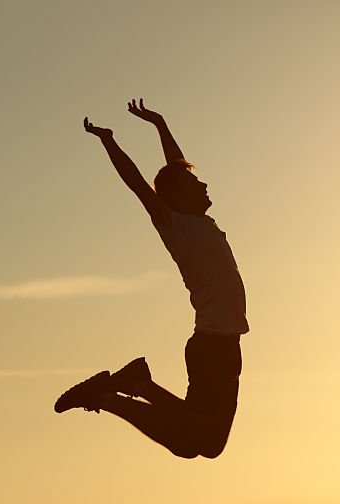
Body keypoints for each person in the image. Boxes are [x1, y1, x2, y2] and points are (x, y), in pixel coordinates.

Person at [54, 99, 248, 460]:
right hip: (213, 345)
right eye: (194, 182)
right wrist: (109, 141)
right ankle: (108, 396)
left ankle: (136, 384)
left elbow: (177, 168)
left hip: (223, 344)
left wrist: (160, 124)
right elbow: (139, 184)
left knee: (198, 442)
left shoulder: (200, 222)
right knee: (204, 442)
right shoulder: (176, 226)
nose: (204, 183)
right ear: (178, 196)